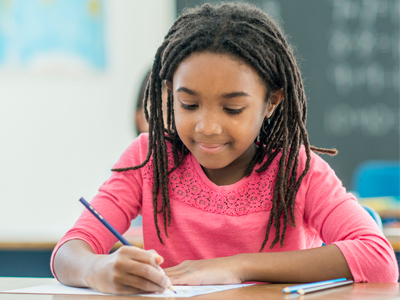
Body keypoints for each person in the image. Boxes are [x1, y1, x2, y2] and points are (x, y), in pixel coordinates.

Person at [51, 2, 399, 295]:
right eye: (188, 105)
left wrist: (237, 267)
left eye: (232, 109)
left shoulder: (296, 168)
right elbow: (68, 252)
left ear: (272, 103)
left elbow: (378, 258)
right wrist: (100, 269)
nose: (208, 127)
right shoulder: (148, 158)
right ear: (170, 92)